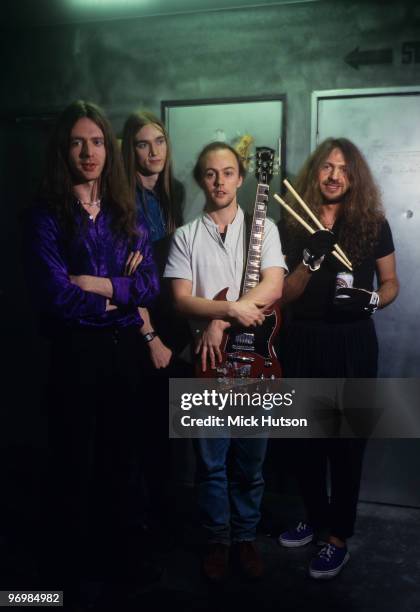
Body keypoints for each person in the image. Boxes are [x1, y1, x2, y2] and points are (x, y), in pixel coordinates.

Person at [23, 100, 160, 594]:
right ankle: (65, 579)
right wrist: (117, 297)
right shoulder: (45, 215)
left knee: (121, 462)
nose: (89, 152)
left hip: (123, 354)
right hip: (73, 356)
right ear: (64, 148)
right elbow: (57, 297)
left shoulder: (126, 212)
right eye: (78, 141)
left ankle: (119, 566)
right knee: (72, 465)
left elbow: (148, 287)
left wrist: (99, 286)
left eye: (98, 141)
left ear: (109, 148)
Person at [276, 138, 399, 579]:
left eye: (343, 169)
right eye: (326, 167)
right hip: (302, 340)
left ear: (354, 176)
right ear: (316, 173)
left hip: (353, 342)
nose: (333, 176)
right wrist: (309, 261)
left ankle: (338, 537)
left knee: (346, 445)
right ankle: (314, 515)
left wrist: (371, 302)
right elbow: (282, 295)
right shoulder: (291, 223)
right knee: (304, 441)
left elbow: (391, 284)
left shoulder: (372, 223)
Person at [164, 141, 286, 581]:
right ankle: (217, 540)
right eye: (211, 173)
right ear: (201, 179)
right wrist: (227, 312)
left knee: (251, 466)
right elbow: (180, 301)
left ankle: (245, 537)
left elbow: (272, 286)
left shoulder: (266, 229)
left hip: (255, 365)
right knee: (211, 465)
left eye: (228, 172)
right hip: (206, 364)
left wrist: (222, 321)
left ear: (241, 177)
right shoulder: (185, 237)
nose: (219, 181)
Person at [121, 111, 192, 541]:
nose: (154, 152)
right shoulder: (120, 200)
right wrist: (149, 336)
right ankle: (140, 524)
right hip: (140, 324)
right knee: (140, 427)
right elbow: (126, 282)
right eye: (144, 144)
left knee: (167, 429)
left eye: (160, 142)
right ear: (129, 151)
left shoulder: (173, 194)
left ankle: (164, 515)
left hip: (173, 319)